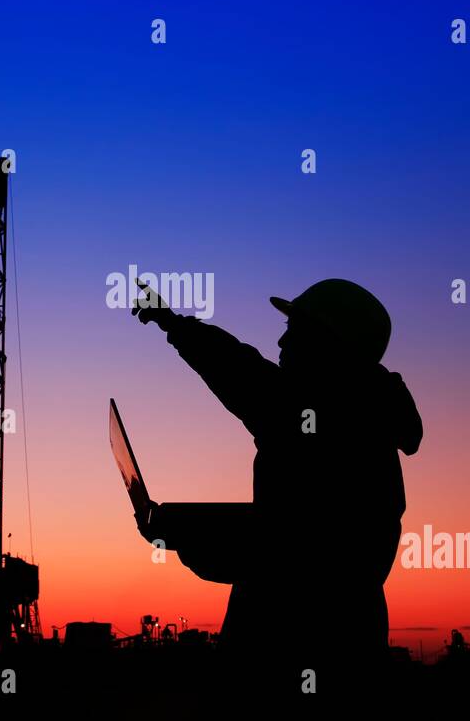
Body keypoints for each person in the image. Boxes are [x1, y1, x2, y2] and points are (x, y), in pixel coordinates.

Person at [131, 278, 421, 699]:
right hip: (333, 648)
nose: (282, 340)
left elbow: (291, 550)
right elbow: (240, 371)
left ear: (331, 345)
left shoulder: (327, 422)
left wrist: (177, 527)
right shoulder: (352, 416)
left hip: (298, 655)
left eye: (297, 330)